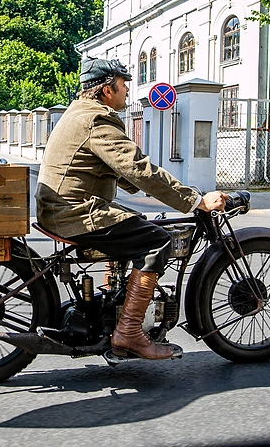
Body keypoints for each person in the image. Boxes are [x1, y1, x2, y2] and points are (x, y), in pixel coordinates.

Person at [35, 58, 228, 360]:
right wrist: (195, 200)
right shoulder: (96, 120)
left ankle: (114, 302)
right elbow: (138, 169)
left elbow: (118, 168)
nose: (127, 89)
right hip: (73, 211)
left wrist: (141, 182)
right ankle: (129, 332)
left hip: (62, 207)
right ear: (106, 89)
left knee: (135, 223)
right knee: (156, 241)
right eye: (123, 84)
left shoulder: (80, 112)